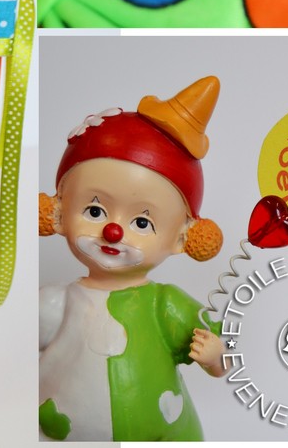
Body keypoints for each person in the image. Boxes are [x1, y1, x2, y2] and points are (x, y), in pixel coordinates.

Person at [39, 77, 227, 441]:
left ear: (181, 238)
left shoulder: (165, 305)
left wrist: (216, 355)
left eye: (142, 222)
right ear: (58, 213)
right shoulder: (53, 303)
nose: (113, 231)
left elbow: (222, 357)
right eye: (95, 211)